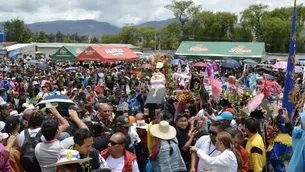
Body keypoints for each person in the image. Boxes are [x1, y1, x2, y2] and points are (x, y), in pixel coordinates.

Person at [34, 108, 73, 172]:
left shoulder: (37, 147)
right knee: (65, 135)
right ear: (58, 131)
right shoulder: (62, 146)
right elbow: (67, 124)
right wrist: (57, 114)